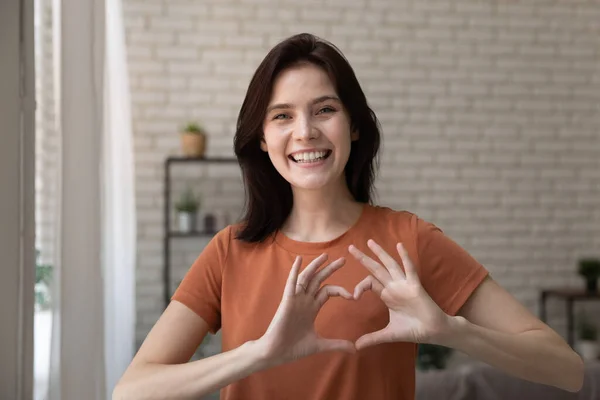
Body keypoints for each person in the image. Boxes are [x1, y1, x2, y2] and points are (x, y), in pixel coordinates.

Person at [113, 33, 583, 400]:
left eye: (325, 109)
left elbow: (567, 369)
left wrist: (450, 331)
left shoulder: (408, 239)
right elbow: (133, 390)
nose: (305, 132)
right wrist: (259, 354)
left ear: (353, 126)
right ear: (260, 138)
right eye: (281, 116)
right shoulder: (228, 252)